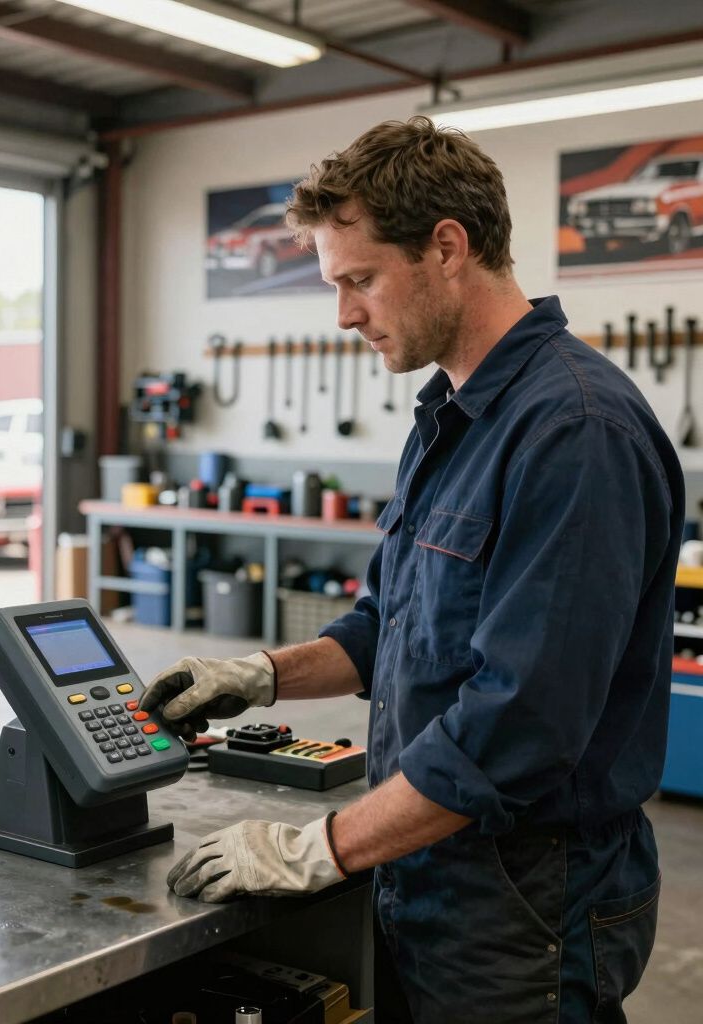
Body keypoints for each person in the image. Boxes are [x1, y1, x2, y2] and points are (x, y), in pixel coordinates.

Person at [139, 116, 683, 1024]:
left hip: (525, 900)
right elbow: (385, 624)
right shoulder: (449, 418)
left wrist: (321, 846)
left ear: (446, 247)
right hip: (424, 858)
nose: (345, 313)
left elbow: (520, 728)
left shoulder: (573, 433)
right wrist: (259, 675)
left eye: (359, 280)